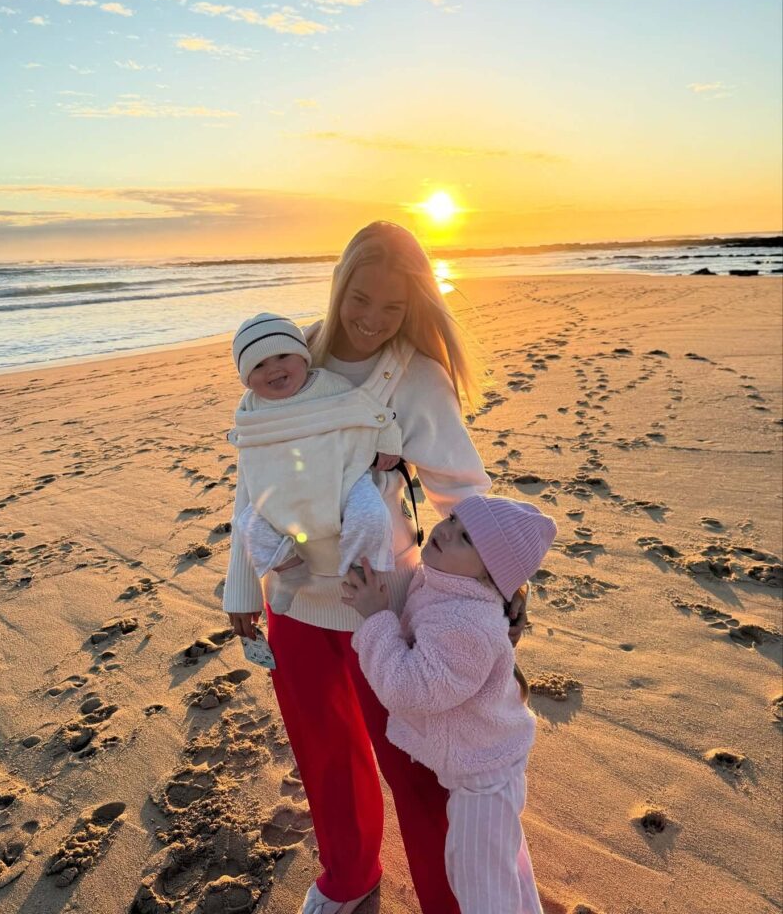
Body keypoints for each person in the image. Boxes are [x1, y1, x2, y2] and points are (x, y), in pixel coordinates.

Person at [223, 220, 529, 914]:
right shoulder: (288, 354)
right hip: (294, 601)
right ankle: (349, 877)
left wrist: (504, 582)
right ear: (339, 285)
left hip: (383, 601)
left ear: (413, 304)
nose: (370, 320)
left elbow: (462, 487)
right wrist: (240, 584)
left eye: (392, 307)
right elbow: (252, 478)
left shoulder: (414, 376)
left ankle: (451, 899)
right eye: (360, 298)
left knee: (415, 766)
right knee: (325, 756)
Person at [343, 496, 556, 914]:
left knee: (480, 885)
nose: (446, 531)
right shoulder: (448, 583)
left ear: (490, 574)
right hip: (489, 764)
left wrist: (376, 618)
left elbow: (411, 687)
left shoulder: (467, 624)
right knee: (503, 866)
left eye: (465, 539)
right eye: (455, 520)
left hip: (482, 781)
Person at [228, 312, 402, 614]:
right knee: (249, 524)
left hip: (342, 474)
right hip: (282, 483)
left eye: (283, 355)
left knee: (371, 514)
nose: (274, 369)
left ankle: (361, 566)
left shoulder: (329, 384)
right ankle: (288, 569)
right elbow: (248, 440)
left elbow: (370, 411)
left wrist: (387, 441)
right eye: (258, 365)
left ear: (303, 357)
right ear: (246, 378)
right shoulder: (251, 406)